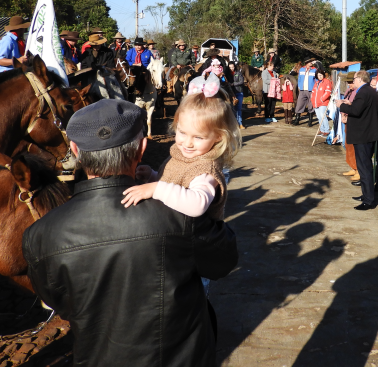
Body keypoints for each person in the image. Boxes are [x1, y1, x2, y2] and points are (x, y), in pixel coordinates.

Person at [22, 99, 238, 367]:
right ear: (142, 147)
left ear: (76, 150)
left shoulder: (38, 235)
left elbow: (60, 304)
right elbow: (223, 262)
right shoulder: (181, 216)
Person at [122, 79, 241, 221]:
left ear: (218, 137)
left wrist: (156, 188)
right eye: (182, 133)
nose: (188, 143)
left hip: (195, 239)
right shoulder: (181, 155)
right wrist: (152, 176)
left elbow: (197, 204)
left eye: (198, 137)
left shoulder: (206, 169)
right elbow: (175, 183)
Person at [338, 70, 378, 211]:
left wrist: (341, 105)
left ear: (360, 79)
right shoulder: (367, 91)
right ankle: (366, 194)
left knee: (365, 167)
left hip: (363, 135)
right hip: (364, 134)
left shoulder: (363, 92)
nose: (353, 81)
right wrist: (348, 103)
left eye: (355, 78)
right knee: (363, 167)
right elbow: (360, 108)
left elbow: (356, 111)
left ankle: (369, 200)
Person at [294, 59, 317, 125]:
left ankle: (310, 121)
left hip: (311, 90)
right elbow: (299, 79)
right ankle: (297, 119)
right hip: (302, 90)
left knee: (310, 105)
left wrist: (314, 88)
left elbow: (316, 80)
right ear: (306, 63)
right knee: (299, 104)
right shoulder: (301, 69)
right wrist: (299, 86)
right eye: (310, 62)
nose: (311, 63)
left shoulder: (314, 69)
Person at [312, 68, 332, 135]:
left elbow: (328, 92)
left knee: (323, 116)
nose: (319, 77)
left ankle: (326, 130)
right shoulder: (316, 83)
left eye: (321, 75)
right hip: (315, 103)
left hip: (323, 103)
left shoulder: (327, 82)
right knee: (319, 117)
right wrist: (312, 99)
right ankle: (322, 129)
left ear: (323, 75)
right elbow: (313, 92)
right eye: (318, 75)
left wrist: (321, 99)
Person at [228, 61, 246, 130]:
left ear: (234, 67)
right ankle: (234, 124)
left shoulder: (238, 73)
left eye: (232, 67)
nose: (231, 69)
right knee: (232, 108)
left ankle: (240, 123)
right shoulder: (227, 74)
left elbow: (241, 81)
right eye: (230, 67)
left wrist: (233, 84)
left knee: (239, 108)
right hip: (231, 93)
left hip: (239, 92)